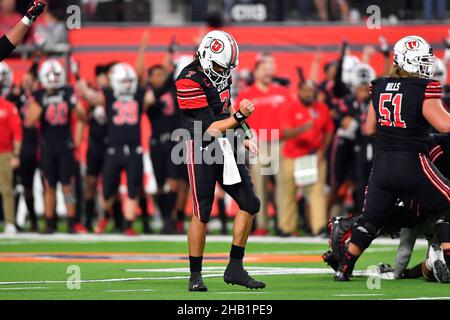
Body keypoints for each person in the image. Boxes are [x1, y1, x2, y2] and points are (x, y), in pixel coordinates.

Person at [334, 35, 450, 281]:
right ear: (411, 62)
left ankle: (344, 268)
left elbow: (370, 129)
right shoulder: (424, 87)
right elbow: (443, 124)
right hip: (411, 162)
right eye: (422, 60)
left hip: (382, 165)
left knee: (371, 219)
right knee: (447, 203)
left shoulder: (379, 85)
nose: (427, 64)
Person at [176, 30, 264, 291]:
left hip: (225, 141)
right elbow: (209, 129)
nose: (221, 72)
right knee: (202, 211)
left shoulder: (220, 72)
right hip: (200, 145)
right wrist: (239, 118)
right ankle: (195, 275)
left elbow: (224, 109)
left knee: (250, 203)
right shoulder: (188, 79)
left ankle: (235, 268)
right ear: (204, 55)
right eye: (216, 65)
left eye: (225, 67)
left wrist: (245, 134)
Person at [77, 63, 155, 236]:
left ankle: (128, 224)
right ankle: (104, 217)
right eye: (124, 80)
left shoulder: (139, 93)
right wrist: (80, 83)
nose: (127, 84)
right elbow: (92, 98)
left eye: (130, 80)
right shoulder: (108, 94)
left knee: (133, 188)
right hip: (114, 148)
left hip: (134, 149)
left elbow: (153, 96)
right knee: (107, 189)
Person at [25, 59, 87, 234]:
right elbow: (29, 120)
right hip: (48, 147)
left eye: (57, 76)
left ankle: (71, 222)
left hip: (65, 146)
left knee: (68, 186)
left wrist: (73, 102)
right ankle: (50, 222)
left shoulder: (68, 91)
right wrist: (45, 101)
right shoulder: (39, 95)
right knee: (49, 186)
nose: (54, 80)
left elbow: (82, 115)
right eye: (50, 76)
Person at [235, 56, 295, 236]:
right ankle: (261, 225)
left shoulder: (283, 92)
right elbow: (239, 119)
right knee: (258, 186)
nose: (269, 71)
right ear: (256, 71)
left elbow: (293, 115)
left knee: (285, 186)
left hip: (280, 142)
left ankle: (286, 226)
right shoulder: (247, 93)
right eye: (264, 67)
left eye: (271, 67)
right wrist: (247, 137)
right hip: (258, 143)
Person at [281, 80, 333, 236]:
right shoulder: (291, 108)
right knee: (289, 193)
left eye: (311, 91)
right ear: (299, 91)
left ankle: (319, 228)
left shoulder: (322, 108)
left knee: (316, 193)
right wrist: (302, 129)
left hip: (313, 156)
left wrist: (323, 151)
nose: (308, 94)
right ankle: (287, 228)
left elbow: (329, 130)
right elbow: (286, 132)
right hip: (293, 155)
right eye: (305, 90)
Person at [0, 61, 22, 234]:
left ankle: (10, 222)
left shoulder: (8, 106)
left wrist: (15, 154)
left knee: (6, 189)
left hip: (4, 152)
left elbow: (17, 133)